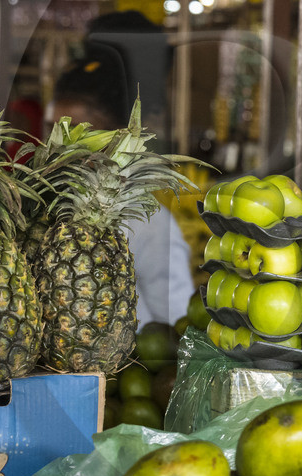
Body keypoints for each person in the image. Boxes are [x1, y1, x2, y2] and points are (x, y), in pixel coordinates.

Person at [50, 47, 194, 330]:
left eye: (81, 132)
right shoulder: (46, 211)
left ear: (118, 137)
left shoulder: (150, 223)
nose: (60, 147)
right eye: (52, 129)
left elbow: (177, 322)